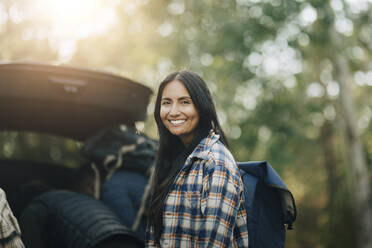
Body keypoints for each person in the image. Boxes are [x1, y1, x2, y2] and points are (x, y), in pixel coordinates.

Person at [146, 70, 249, 247]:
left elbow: (214, 243)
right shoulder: (171, 161)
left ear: (202, 107)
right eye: (166, 103)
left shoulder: (216, 163)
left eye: (184, 102)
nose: (173, 111)